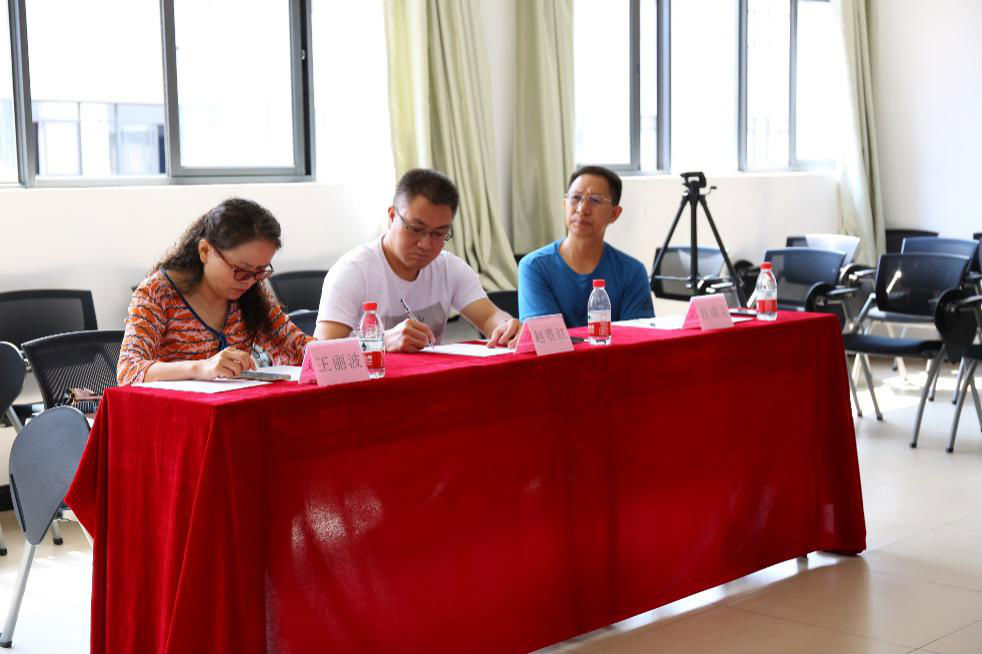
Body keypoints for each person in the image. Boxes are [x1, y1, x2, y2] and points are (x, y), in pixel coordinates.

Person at [314, 169, 521, 351]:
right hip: (370, 382)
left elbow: (489, 317)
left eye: (439, 233)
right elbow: (322, 348)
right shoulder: (353, 272)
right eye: (415, 229)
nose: (426, 244)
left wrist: (506, 326)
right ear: (392, 216)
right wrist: (381, 341)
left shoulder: (451, 269)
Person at [117, 198, 314, 385]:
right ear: (205, 251)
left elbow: (299, 348)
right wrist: (200, 368)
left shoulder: (252, 295)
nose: (249, 281)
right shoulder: (158, 293)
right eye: (240, 270)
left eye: (260, 271)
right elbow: (128, 370)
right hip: (175, 407)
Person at [518, 165, 654, 326]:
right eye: (576, 198)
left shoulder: (632, 272)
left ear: (614, 214)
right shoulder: (534, 266)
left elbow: (637, 336)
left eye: (595, 200)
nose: (582, 209)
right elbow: (546, 336)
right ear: (565, 204)